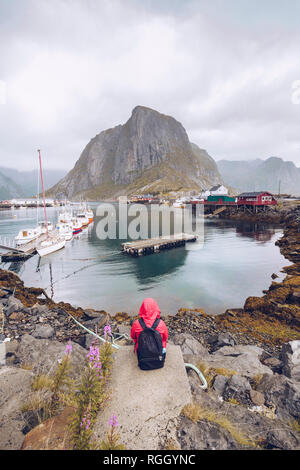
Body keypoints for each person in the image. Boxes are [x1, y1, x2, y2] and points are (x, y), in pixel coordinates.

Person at [131, 298, 168, 370]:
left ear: (142, 309)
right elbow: (165, 338)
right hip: (158, 353)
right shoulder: (161, 323)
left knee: (137, 341)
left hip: (142, 355)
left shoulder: (136, 324)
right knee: (163, 341)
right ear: (156, 308)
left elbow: (133, 337)